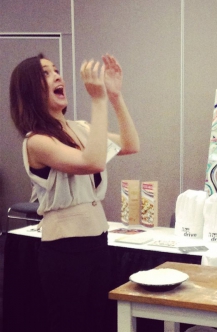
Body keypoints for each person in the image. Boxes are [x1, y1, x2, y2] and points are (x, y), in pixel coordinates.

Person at [9, 53, 140, 332]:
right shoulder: (37, 141)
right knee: (71, 325)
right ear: (30, 89)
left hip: (97, 241)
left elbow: (131, 144)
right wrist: (98, 100)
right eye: (46, 73)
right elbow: (92, 162)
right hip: (64, 250)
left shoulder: (81, 128)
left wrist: (114, 97)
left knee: (98, 323)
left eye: (56, 70)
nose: (58, 75)